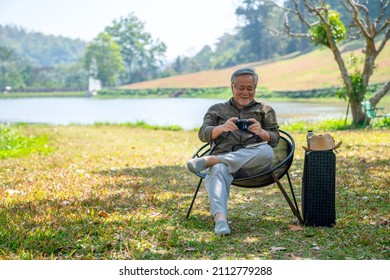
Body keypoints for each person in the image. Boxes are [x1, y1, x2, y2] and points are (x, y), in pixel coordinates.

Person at [187, 67, 280, 236]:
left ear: (255, 89)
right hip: (225, 168)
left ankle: (212, 159)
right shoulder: (216, 109)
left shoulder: (265, 110)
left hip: (254, 165)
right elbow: (203, 134)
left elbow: (275, 139)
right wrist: (221, 128)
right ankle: (220, 221)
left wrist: (261, 132)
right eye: (241, 88)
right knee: (218, 168)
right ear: (232, 87)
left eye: (249, 88)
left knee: (266, 150)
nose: (245, 92)